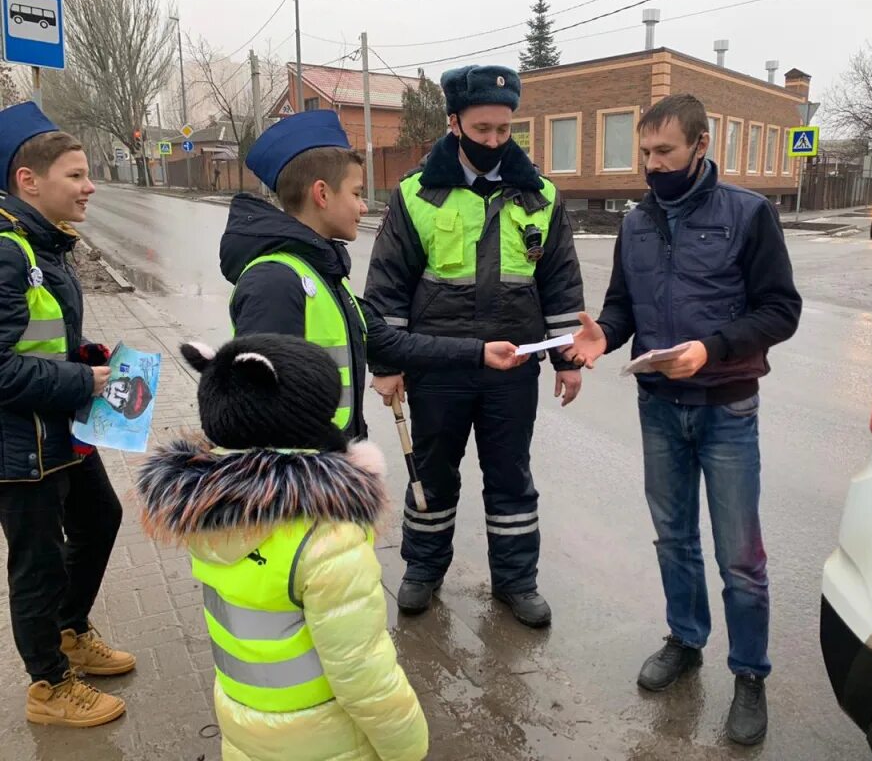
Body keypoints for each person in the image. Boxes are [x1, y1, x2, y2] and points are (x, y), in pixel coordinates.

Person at [564, 93, 802, 745]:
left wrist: (712, 349)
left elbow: (781, 311)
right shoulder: (637, 223)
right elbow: (622, 308)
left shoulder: (748, 215)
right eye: (644, 152)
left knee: (740, 558)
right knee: (673, 538)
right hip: (659, 409)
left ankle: (750, 676)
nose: (650, 164)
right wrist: (601, 337)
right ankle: (686, 640)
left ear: (700, 145)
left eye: (663, 151)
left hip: (726, 409)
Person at [364, 65, 585, 627]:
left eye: (503, 131)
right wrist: (388, 363)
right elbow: (387, 284)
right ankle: (423, 571)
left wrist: (567, 358)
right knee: (433, 473)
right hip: (439, 366)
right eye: (482, 128)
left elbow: (559, 281)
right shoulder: (416, 193)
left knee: (511, 474)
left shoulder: (539, 196)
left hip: (513, 368)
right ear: (454, 122)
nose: (492, 141)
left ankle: (515, 581)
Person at [138, 334, 429, 761]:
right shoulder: (327, 538)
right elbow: (362, 673)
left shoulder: (208, 514)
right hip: (324, 739)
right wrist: (409, 747)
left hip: (244, 725)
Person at [220, 109, 524, 446]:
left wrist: (481, 352)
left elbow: (392, 343)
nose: (363, 207)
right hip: (303, 484)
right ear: (322, 194)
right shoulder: (276, 281)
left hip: (330, 470)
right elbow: (259, 414)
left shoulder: (321, 274)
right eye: (356, 193)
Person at [0, 102, 135, 729]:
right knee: (38, 561)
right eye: (76, 175)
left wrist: (86, 359)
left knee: (100, 517)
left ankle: (71, 631)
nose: (90, 186)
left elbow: (38, 338)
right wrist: (82, 378)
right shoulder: (7, 251)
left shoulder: (43, 244)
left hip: (59, 429)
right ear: (29, 181)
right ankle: (48, 686)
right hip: (19, 444)